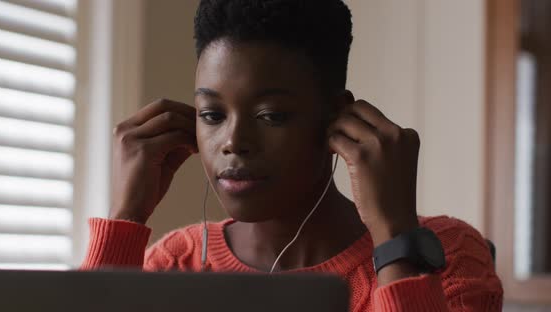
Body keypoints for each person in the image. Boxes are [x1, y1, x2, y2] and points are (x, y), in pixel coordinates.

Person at [80, 0, 503, 310]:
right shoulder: (172, 264)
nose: (233, 141)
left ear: (339, 119)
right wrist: (124, 219)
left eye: (272, 115)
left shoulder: (447, 255)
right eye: (212, 114)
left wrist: (396, 240)